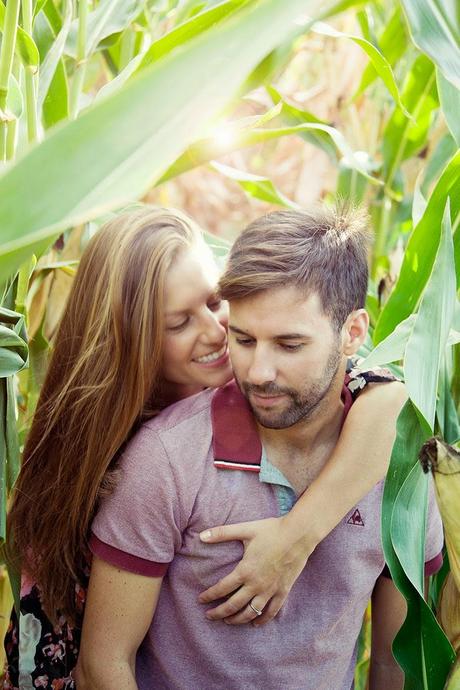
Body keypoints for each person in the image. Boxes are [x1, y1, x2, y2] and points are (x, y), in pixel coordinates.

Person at [4, 206, 405, 690]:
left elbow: (391, 402)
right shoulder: (128, 452)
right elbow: (93, 660)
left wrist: (295, 536)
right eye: (179, 323)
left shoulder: (293, 388)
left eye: (216, 303)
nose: (218, 333)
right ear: (131, 341)